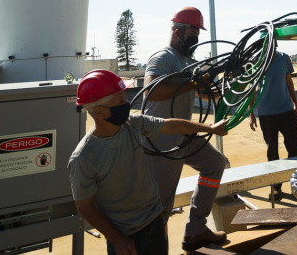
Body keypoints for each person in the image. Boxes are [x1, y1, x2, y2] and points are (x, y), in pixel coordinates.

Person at [68, 69, 228, 255]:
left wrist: (209, 128)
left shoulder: (131, 124)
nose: (126, 103)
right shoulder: (84, 157)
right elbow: (84, 206)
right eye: (120, 100)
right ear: (100, 112)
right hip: (127, 237)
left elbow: (171, 125)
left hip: (155, 223)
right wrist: (117, 239)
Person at [141, 7, 230, 252]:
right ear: (178, 31)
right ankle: (156, 249)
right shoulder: (164, 57)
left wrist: (221, 87)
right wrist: (192, 82)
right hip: (160, 140)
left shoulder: (189, 62)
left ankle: (196, 231)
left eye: (198, 33)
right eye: (193, 32)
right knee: (161, 207)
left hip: (182, 135)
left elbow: (200, 91)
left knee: (215, 163)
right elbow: (152, 90)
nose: (196, 37)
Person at [248, 51, 297, 200]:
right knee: (272, 152)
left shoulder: (285, 58)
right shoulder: (256, 61)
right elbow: (252, 88)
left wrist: (296, 105)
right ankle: (276, 187)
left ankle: (296, 187)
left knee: (294, 150)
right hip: (267, 113)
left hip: (286, 111)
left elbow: (289, 81)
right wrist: (251, 113)